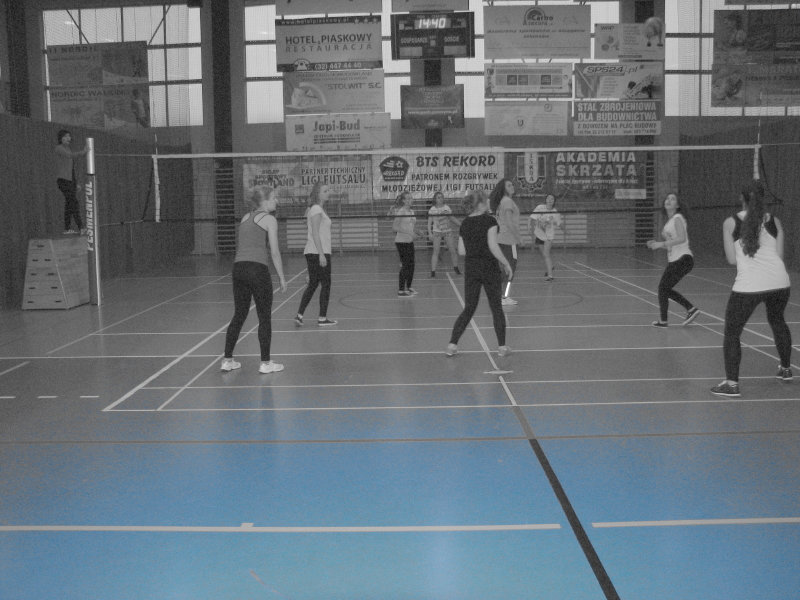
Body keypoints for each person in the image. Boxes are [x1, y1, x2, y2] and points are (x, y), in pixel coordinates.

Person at [712, 180, 792, 397]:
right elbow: (779, 256)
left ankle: (731, 384)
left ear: (742, 198)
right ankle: (786, 369)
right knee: (778, 321)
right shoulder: (774, 221)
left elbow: (731, 260)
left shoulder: (731, 222)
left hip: (749, 285)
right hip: (779, 282)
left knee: (732, 332)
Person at [221, 186, 287, 374]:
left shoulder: (245, 218)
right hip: (257, 270)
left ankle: (227, 360)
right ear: (264, 201)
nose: (276, 201)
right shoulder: (269, 219)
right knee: (264, 317)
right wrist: (282, 277)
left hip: (238, 269)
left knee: (239, 314)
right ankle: (265, 363)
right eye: (274, 198)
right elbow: (274, 252)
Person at [446, 190, 514, 358]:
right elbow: (493, 245)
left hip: (472, 269)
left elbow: (461, 251)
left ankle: (452, 345)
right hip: (489, 268)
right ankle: (502, 347)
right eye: (487, 201)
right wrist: (506, 263)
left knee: (469, 308)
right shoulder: (490, 221)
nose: (489, 203)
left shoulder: (465, 223)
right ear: (481, 204)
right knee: (496, 307)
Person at [646, 193, 700, 328]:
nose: (669, 200)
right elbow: (672, 245)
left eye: (672, 199)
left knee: (663, 288)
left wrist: (661, 243)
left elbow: (682, 239)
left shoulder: (677, 218)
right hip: (676, 259)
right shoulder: (668, 224)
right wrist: (657, 245)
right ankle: (686, 311)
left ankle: (687, 310)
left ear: (677, 205)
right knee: (664, 289)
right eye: (667, 198)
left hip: (683, 258)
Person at [295, 181, 336, 327]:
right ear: (318, 194)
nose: (328, 193)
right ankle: (322, 318)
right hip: (318, 251)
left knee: (313, 284)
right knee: (326, 284)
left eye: (328, 190)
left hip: (314, 252)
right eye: (325, 191)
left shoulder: (315, 208)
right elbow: (315, 233)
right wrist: (321, 255)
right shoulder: (317, 209)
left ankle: (299, 315)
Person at [489, 179, 521, 306]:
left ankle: (499, 296)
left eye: (512, 184)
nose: (512, 186)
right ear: (503, 188)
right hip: (508, 240)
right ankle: (503, 297)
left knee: (503, 269)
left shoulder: (502, 201)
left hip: (501, 239)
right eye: (509, 185)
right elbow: (508, 222)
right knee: (510, 269)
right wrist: (519, 238)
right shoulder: (507, 201)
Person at [54, 129, 88, 235]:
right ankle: (81, 227)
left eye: (69, 136)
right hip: (63, 181)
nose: (68, 138)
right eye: (65, 136)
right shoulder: (59, 148)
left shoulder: (68, 149)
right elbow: (70, 156)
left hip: (70, 181)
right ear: (61, 138)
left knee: (69, 204)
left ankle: (67, 228)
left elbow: (71, 169)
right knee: (73, 202)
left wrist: (75, 183)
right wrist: (83, 152)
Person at [529, 194, 563, 282]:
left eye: (552, 199)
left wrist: (565, 230)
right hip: (539, 234)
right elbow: (532, 217)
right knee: (543, 254)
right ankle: (550, 267)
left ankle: (550, 275)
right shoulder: (540, 207)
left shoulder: (555, 212)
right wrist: (529, 227)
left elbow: (559, 223)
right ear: (546, 200)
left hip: (549, 236)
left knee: (546, 254)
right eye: (548, 198)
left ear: (554, 201)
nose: (550, 200)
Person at [428, 190, 461, 277]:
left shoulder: (447, 208)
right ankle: (433, 271)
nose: (440, 199)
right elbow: (429, 223)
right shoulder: (432, 209)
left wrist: (461, 224)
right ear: (435, 199)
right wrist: (430, 233)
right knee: (436, 251)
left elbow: (452, 218)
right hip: (437, 232)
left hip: (447, 231)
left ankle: (456, 268)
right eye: (438, 197)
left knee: (453, 250)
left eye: (442, 197)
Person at [391, 191, 418, 296]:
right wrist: (409, 233)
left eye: (411, 198)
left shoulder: (412, 211)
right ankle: (401, 290)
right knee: (405, 265)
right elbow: (394, 228)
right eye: (408, 198)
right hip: (401, 242)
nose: (410, 200)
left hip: (409, 241)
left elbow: (411, 226)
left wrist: (417, 232)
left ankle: (409, 287)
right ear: (403, 200)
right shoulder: (401, 211)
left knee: (412, 265)